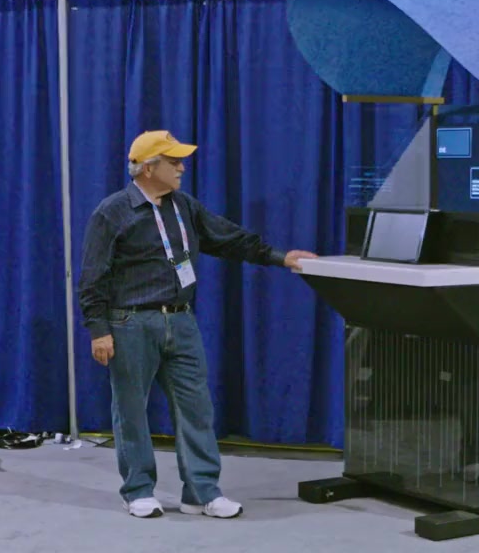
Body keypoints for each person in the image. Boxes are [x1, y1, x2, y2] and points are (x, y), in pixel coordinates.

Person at [77, 130, 317, 519]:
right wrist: (98, 330)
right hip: (131, 323)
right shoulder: (112, 212)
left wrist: (279, 256)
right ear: (149, 168)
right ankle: (138, 490)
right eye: (174, 162)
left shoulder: (182, 206)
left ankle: (201, 492)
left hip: (181, 319)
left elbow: (227, 238)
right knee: (131, 409)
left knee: (196, 408)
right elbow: (92, 277)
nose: (182, 168)